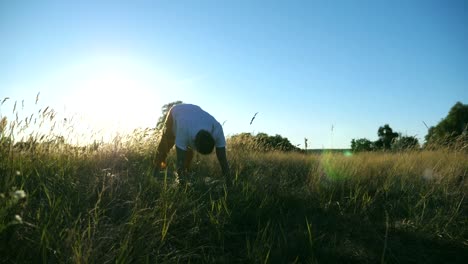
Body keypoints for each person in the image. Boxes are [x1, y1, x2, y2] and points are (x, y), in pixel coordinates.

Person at [154, 103, 230, 182]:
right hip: (176, 111)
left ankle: (187, 175)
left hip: (194, 112)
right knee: (165, 146)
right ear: (194, 143)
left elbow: (223, 159)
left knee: (188, 156)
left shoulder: (217, 129)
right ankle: (155, 172)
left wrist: (229, 181)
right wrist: (181, 185)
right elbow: (180, 162)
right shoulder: (184, 130)